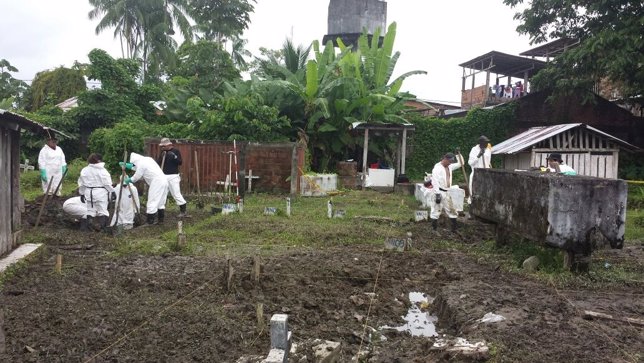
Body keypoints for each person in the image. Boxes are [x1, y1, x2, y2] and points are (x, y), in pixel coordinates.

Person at [122, 152, 169, 225]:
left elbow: (137, 176)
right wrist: (127, 165)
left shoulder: (141, 164)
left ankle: (150, 221)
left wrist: (129, 180)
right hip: (164, 180)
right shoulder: (147, 160)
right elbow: (136, 168)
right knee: (160, 201)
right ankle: (161, 220)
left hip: (157, 182)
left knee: (152, 201)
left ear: (135, 161)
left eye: (134, 163)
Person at [78, 153, 115, 232]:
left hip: (89, 192)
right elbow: (107, 183)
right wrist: (112, 191)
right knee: (102, 210)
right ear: (99, 160)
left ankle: (89, 227)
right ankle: (103, 228)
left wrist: (81, 193)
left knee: (90, 210)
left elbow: (81, 183)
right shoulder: (102, 170)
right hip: (100, 193)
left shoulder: (85, 170)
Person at [430, 152, 462, 232]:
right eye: (449, 161)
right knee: (436, 211)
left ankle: (454, 230)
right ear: (445, 159)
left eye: (451, 162)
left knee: (452, 210)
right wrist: (437, 194)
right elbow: (435, 182)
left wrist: (458, 154)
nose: (450, 163)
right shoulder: (437, 168)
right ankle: (434, 230)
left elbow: (461, 163)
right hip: (439, 192)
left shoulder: (449, 166)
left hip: (447, 192)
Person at [157, 138, 188, 217]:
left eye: (164, 146)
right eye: (162, 146)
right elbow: (158, 163)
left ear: (169, 145)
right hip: (163, 176)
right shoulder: (162, 152)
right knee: (162, 194)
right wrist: (161, 157)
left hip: (173, 176)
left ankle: (183, 211)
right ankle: (161, 213)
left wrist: (174, 157)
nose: (162, 147)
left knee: (176, 194)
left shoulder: (175, 151)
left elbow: (180, 162)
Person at [467, 135, 492, 203]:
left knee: (485, 191)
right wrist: (478, 156)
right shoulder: (474, 149)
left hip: (486, 174)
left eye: (487, 142)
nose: (487, 144)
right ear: (481, 143)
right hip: (476, 174)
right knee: (473, 191)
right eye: (486, 142)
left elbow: (488, 162)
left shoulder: (488, 150)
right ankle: (472, 205)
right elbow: (470, 163)